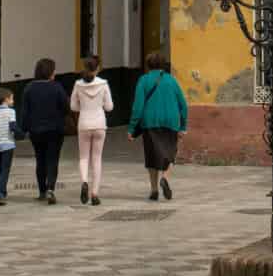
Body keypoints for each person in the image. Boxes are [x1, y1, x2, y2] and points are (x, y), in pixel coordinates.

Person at [128, 52, 189, 201]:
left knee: (151, 155)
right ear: (163, 65)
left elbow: (138, 107)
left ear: (148, 65)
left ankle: (154, 190)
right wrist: (183, 126)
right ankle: (165, 178)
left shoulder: (143, 80)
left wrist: (132, 128)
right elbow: (183, 105)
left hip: (150, 121)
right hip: (171, 122)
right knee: (170, 153)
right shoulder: (172, 80)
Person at [18, 58, 68, 204]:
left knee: (40, 160)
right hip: (55, 130)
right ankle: (51, 188)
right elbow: (66, 107)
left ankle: (42, 191)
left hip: (36, 131)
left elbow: (25, 111)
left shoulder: (29, 88)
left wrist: (24, 129)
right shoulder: (57, 87)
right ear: (50, 72)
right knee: (53, 159)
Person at [69, 55, 114, 206]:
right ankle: (95, 194)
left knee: (83, 157)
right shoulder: (104, 84)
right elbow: (109, 107)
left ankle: (84, 182)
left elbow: (73, 107)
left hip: (84, 123)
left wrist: (83, 106)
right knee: (97, 158)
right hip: (99, 123)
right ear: (97, 68)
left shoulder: (78, 85)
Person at [0, 86, 20, 205]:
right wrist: (22, 134)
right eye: (12, 98)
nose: (13, 101)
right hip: (8, 145)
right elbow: (13, 127)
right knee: (5, 170)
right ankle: (0, 193)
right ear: (6, 99)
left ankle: (2, 191)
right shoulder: (11, 112)